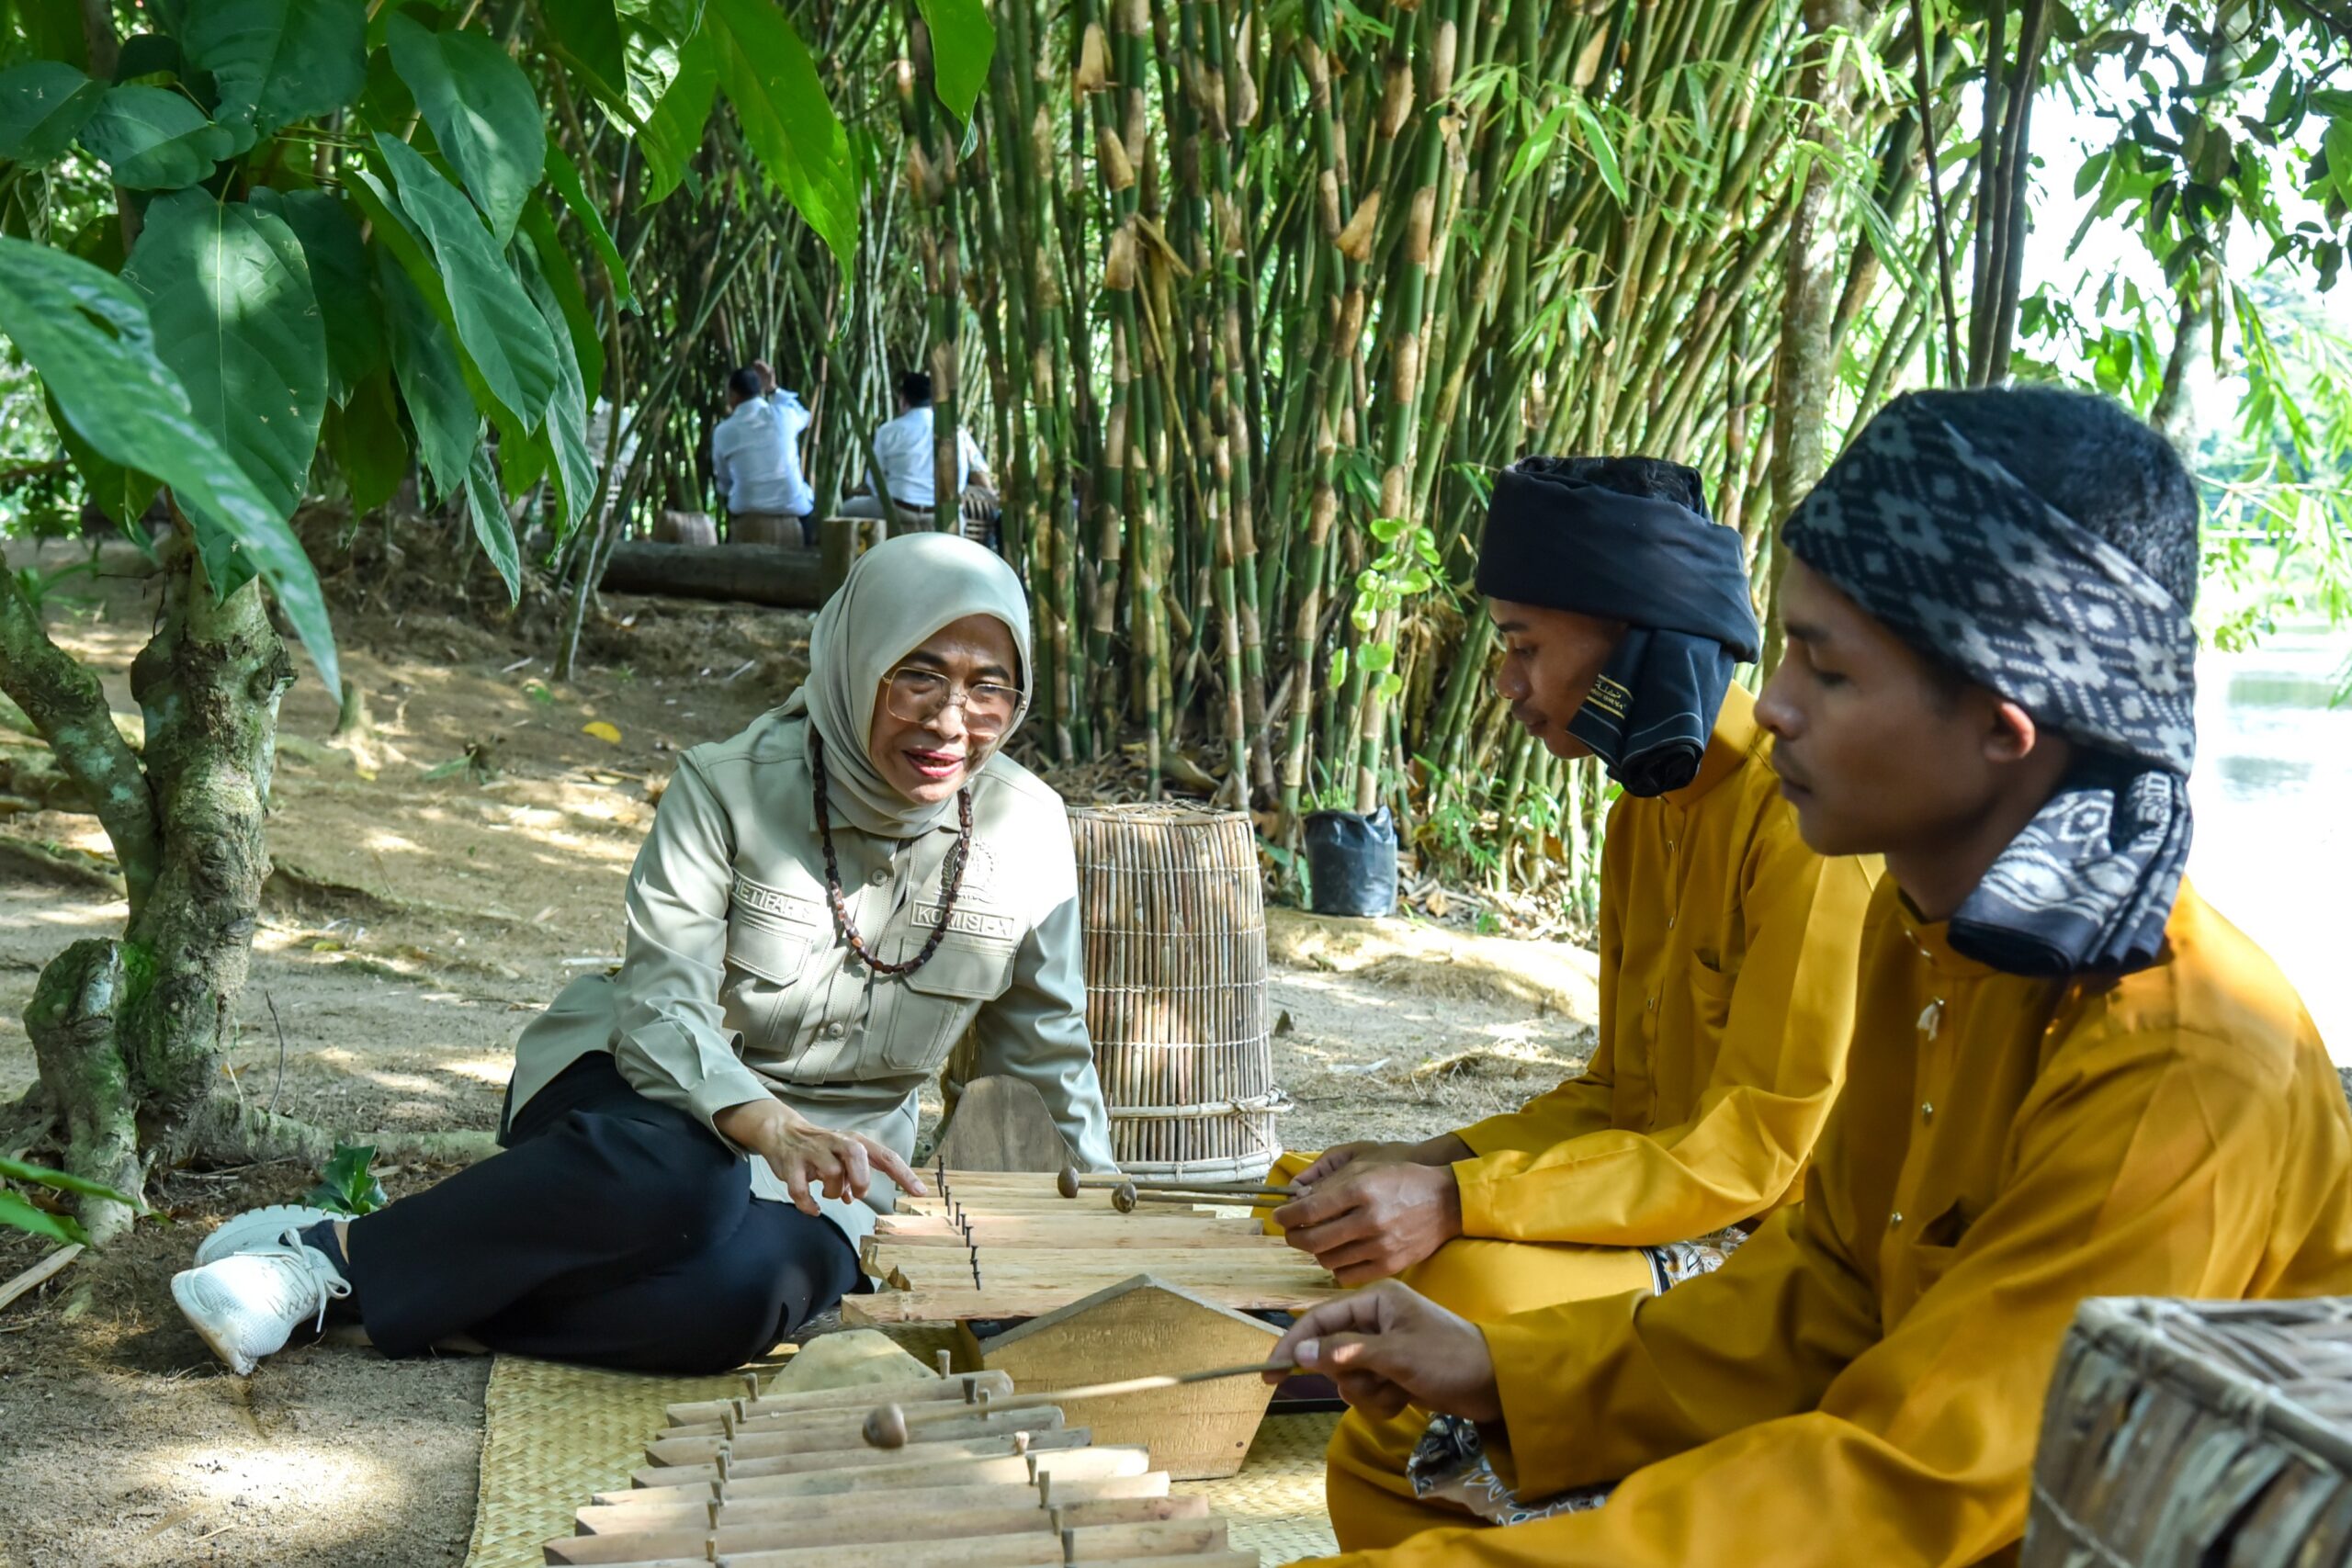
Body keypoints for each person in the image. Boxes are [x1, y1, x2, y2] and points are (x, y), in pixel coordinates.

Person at [1263, 388, 2352, 1567]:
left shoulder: (2175, 1068)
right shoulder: (1919, 928)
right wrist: (1502, 1371)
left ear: (2004, 726)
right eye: (1785, 652)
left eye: (1825, 671)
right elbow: (1827, 1291)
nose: (1773, 705)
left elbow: (1913, 1486)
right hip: (1900, 1474)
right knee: (1409, 1433)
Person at [169, 535, 1118, 1377]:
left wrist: (1107, 1227)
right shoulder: (727, 786)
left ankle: (421, 1288)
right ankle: (327, 1259)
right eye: (919, 675)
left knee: (735, 1302)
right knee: (686, 1183)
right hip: (641, 1101)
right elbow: (661, 1007)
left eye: (989, 686)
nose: (952, 720)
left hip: (843, 1167)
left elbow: (1045, 1057)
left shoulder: (1027, 829)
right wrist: (766, 1125)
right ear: (856, 660)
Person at [1261, 457, 1878, 1539]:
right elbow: (1614, 1096)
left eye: (1522, 645)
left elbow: (1748, 1160)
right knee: (1316, 1225)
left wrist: (1456, 1203)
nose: (1504, 683)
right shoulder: (1646, 810)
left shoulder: (1805, 830)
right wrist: (1424, 1160)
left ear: (1632, 643)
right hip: (1670, 1212)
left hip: (1772, 1262)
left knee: (1459, 1290)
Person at [842, 371, 998, 543]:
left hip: (898, 510)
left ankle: (856, 558)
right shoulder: (956, 432)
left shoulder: (888, 431)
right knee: (960, 520)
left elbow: (873, 480)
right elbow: (970, 473)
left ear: (903, 400)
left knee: (848, 508)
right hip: (943, 513)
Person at [711, 362, 815, 547]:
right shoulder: (784, 416)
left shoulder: (723, 432)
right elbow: (805, 416)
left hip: (748, 513)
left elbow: (724, 483)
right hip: (794, 511)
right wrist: (773, 389)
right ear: (759, 390)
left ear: (733, 395)